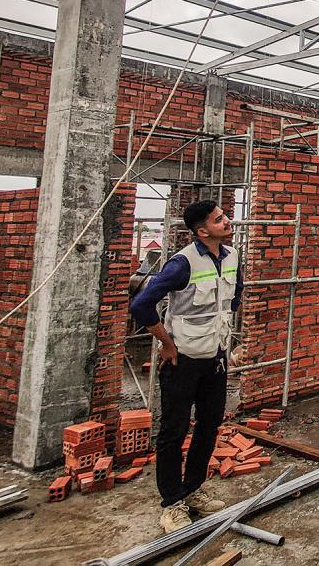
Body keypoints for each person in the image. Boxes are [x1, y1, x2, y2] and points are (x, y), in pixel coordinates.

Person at [130, 200, 243, 534]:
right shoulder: (182, 263)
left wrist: (226, 341)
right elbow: (142, 304)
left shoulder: (233, 257)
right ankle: (172, 503)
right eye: (219, 219)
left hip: (215, 359)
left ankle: (193, 490)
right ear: (201, 231)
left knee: (208, 426)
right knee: (173, 432)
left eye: (225, 216)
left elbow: (234, 298)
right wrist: (166, 343)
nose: (227, 221)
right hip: (183, 361)